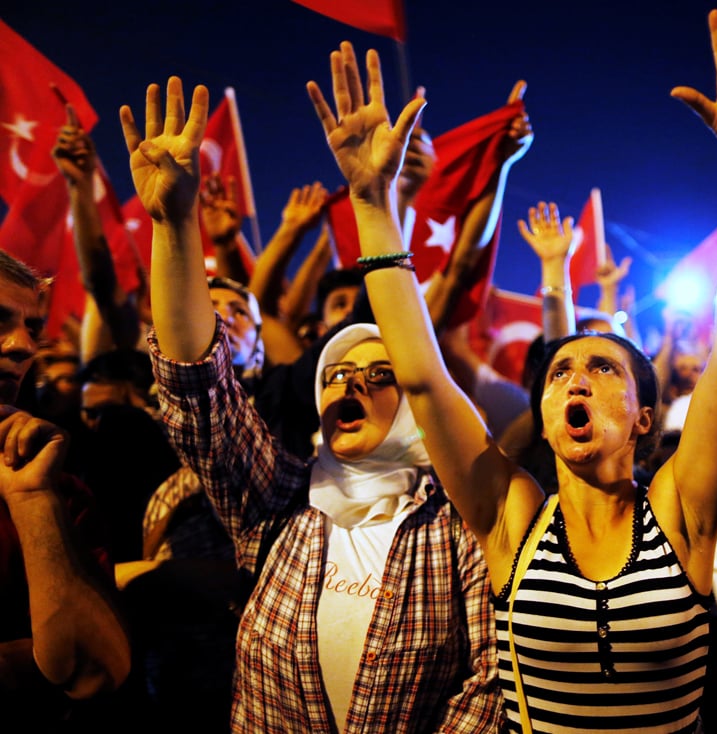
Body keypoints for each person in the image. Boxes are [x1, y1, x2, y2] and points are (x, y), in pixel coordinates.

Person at [304, 0, 717, 728]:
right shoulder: (511, 517)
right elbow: (422, 376)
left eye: (602, 369)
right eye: (561, 369)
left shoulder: (682, 512)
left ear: (645, 417)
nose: (574, 377)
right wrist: (373, 206)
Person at [122, 76, 501, 732]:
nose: (349, 385)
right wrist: (174, 224)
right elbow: (197, 391)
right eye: (335, 374)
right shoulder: (277, 503)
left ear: (415, 401)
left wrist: (379, 201)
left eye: (381, 374)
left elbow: (487, 687)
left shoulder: (459, 528)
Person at [0, 250, 130, 724]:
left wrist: (32, 499)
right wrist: (29, 663)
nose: (23, 347)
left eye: (32, 328)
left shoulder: (60, 491)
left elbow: (96, 674)